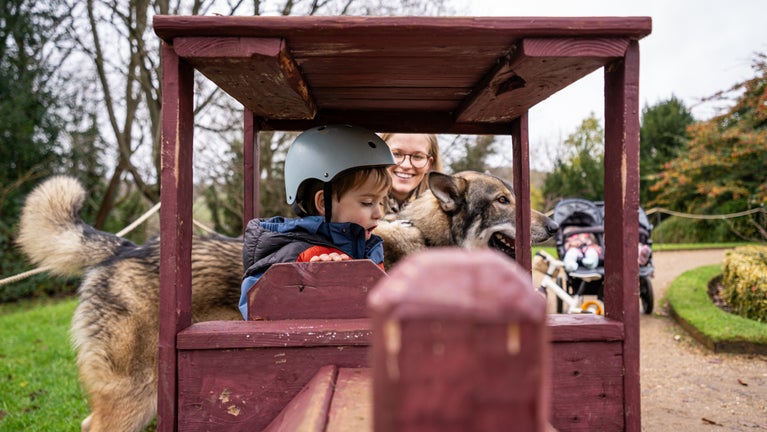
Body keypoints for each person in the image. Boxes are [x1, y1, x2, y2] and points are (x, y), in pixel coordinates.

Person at [238, 124, 395, 319]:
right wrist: (316, 282)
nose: (379, 212)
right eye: (367, 202)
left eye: (382, 201)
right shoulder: (290, 254)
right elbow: (255, 308)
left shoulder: (368, 248)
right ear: (323, 203)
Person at [379, 133, 443, 213]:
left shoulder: (447, 211)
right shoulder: (358, 205)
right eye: (396, 154)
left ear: (429, 164)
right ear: (379, 155)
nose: (406, 165)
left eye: (417, 157)